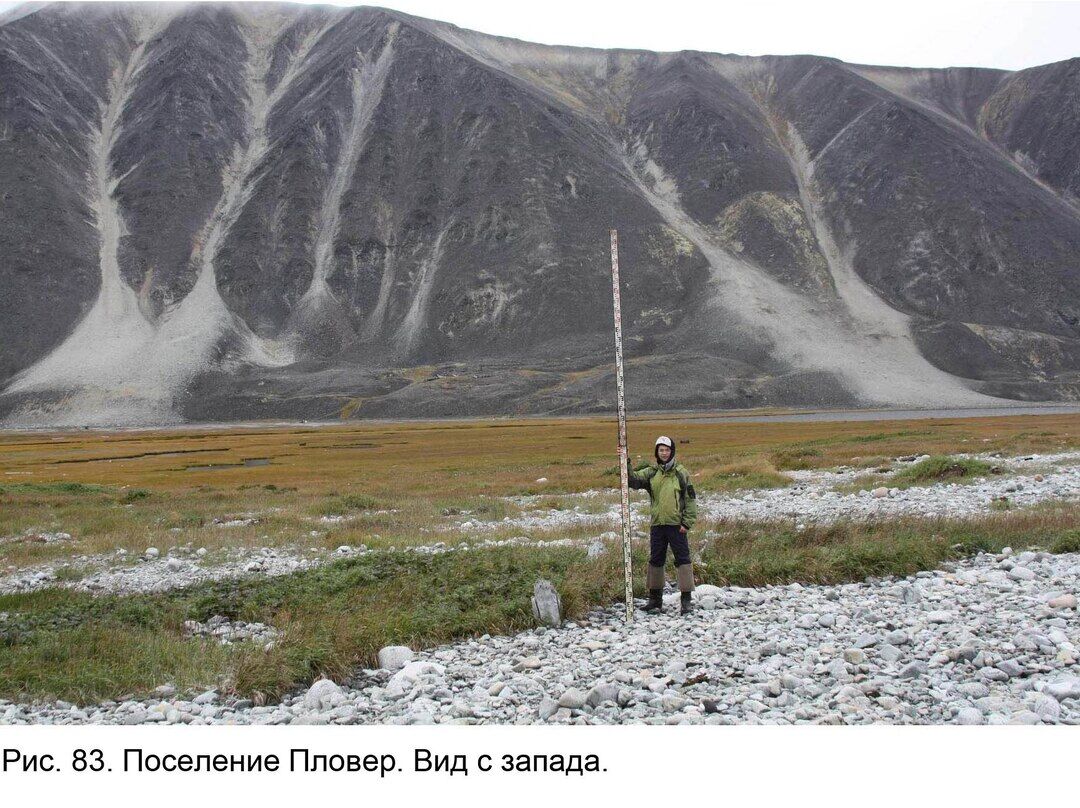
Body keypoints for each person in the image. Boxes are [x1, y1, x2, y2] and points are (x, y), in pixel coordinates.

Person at [625, 435, 698, 615]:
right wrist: (625, 462)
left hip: (677, 526)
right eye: (660, 450)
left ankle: (686, 600)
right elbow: (633, 481)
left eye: (666, 450)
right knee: (656, 560)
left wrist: (686, 523)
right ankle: (655, 600)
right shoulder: (652, 473)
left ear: (672, 451)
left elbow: (690, 499)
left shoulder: (681, 473)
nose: (664, 453)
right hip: (657, 525)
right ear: (657, 452)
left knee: (683, 560)